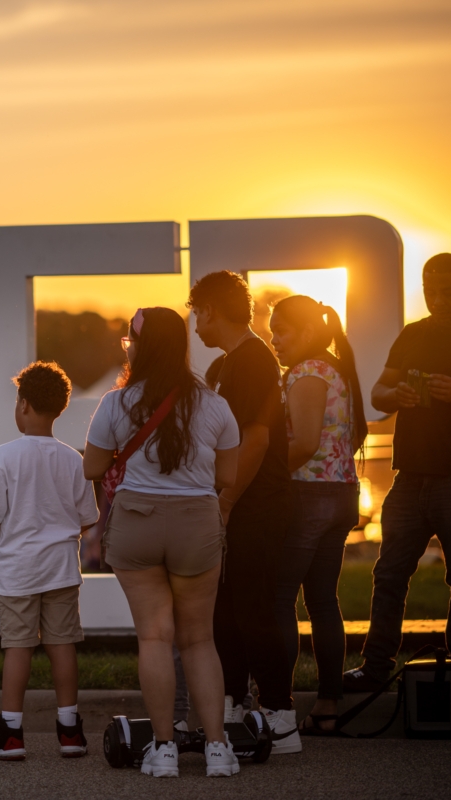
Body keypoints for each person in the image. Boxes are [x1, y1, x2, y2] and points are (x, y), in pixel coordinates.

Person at [84, 308, 242, 777]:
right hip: (196, 522)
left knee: (154, 636)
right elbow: (227, 477)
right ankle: (216, 749)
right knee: (198, 640)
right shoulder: (215, 404)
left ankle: (165, 749)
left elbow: (93, 468)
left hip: (138, 521)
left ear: (140, 345)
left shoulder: (115, 403)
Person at [346, 254, 451, 691]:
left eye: (448, 291)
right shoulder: (413, 333)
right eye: (430, 291)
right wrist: (396, 394)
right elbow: (378, 392)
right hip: (409, 476)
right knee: (389, 573)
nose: (439, 300)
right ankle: (375, 669)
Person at [189, 270, 300, 753]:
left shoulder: (252, 359)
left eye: (196, 313)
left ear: (211, 309)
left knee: (253, 612)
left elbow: (255, 438)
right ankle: (232, 708)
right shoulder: (239, 361)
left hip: (256, 507)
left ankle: (280, 719)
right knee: (226, 612)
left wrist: (227, 501)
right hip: (241, 505)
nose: (195, 325)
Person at [0, 361, 98, 761]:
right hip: (61, 567)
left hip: (17, 571)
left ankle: (10, 732)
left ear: (23, 404)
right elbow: (86, 518)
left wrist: (5, 543)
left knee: (19, 647)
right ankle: (70, 729)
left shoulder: (3, 457)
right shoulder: (74, 460)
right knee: (63, 645)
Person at [268, 296, 366, 733]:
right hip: (342, 492)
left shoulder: (307, 372)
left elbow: (305, 443)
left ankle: (279, 707)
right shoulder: (337, 369)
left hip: (308, 496)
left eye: (281, 331)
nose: (274, 340)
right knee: (323, 601)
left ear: (306, 332)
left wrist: (263, 477)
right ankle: (328, 705)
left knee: (279, 599)